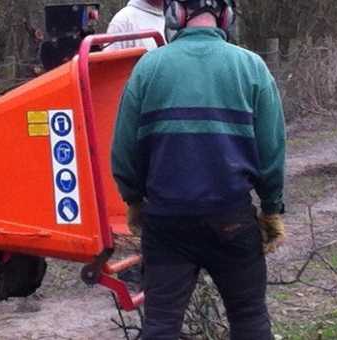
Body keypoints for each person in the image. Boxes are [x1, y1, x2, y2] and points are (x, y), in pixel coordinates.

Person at [109, 0, 286, 339]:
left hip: (166, 222)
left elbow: (124, 151)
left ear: (174, 14)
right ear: (227, 15)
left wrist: (133, 200)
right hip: (232, 218)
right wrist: (271, 208)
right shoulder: (252, 67)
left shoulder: (147, 68)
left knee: (160, 324)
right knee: (250, 320)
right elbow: (272, 150)